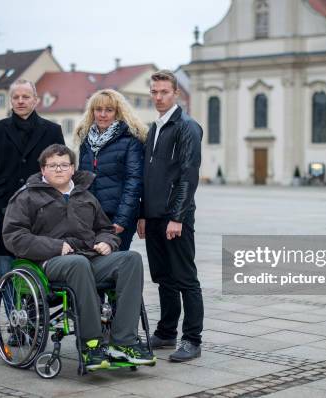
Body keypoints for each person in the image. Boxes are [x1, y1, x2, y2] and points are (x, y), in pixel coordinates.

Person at [2, 144, 155, 369]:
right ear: (43, 169)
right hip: (46, 263)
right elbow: (14, 236)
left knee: (130, 259)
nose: (59, 169)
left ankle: (123, 343)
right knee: (78, 263)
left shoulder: (85, 196)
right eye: (53, 165)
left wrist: (107, 241)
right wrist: (56, 246)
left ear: (73, 169)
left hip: (87, 257)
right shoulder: (26, 197)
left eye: (64, 165)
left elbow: (105, 228)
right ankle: (91, 344)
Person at [137, 70, 204, 362]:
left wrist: (177, 216)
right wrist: (143, 214)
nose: (158, 97)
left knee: (185, 279)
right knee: (164, 278)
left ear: (175, 93)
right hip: (153, 217)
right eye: (154, 92)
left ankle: (192, 339)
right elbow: (148, 175)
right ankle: (166, 333)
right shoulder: (156, 127)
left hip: (175, 218)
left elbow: (188, 175)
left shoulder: (186, 127)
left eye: (164, 92)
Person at [0, 79, 64, 280]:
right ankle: (12, 313)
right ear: (11, 101)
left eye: (26, 97)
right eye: (16, 97)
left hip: (42, 209)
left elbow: (60, 171)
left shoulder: (52, 130)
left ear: (36, 100)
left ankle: (34, 311)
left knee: (38, 268)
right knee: (6, 268)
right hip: (3, 210)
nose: (20, 101)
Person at [76, 89, 146, 250]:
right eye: (98, 110)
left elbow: (134, 182)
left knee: (114, 265)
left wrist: (121, 220)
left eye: (109, 110)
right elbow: (81, 180)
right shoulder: (86, 140)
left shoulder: (130, 140)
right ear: (92, 112)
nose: (103, 114)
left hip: (117, 216)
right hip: (91, 217)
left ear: (118, 112)